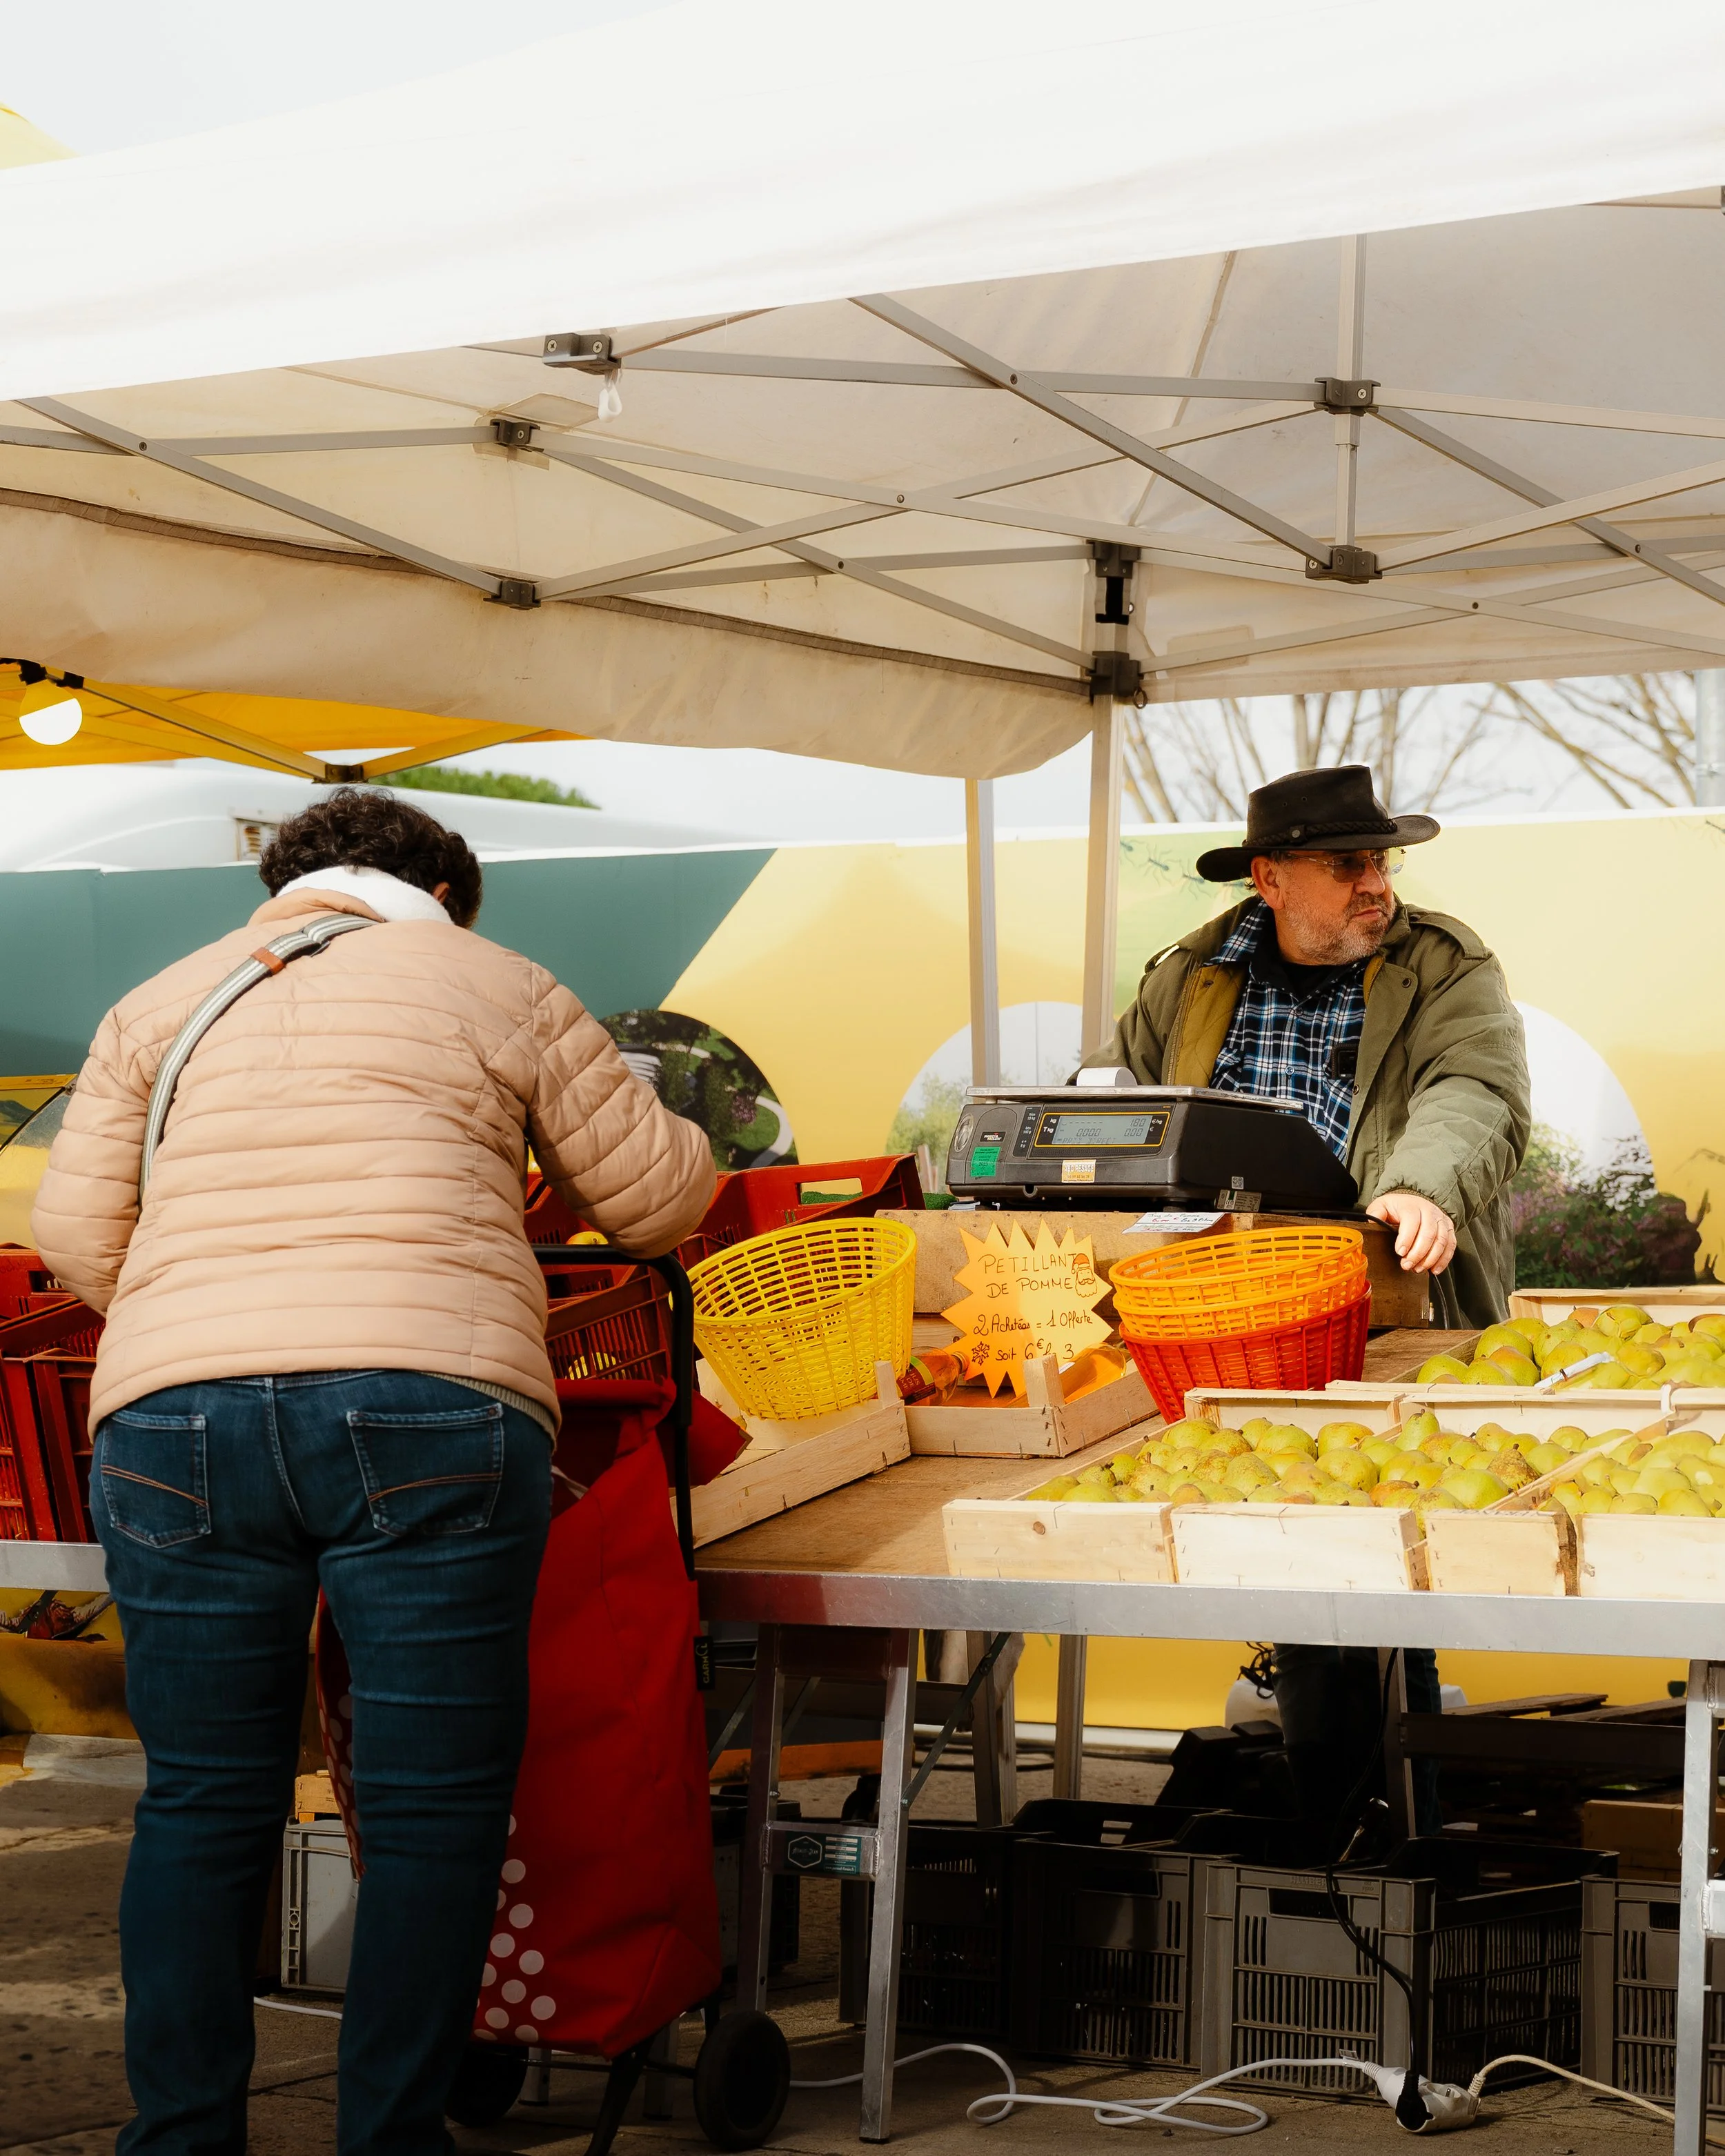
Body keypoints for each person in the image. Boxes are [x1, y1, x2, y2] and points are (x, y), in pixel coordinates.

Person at [32, 786, 716, 2156]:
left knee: (201, 1794)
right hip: (427, 1406)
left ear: (284, 887)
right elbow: (656, 1202)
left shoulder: (158, 1001)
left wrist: (208, 1318)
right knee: (429, 1805)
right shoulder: (496, 979)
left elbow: (73, 1238)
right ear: (449, 891)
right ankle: (392, 2136)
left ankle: (180, 2139)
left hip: (175, 1420)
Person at [1086, 763, 1531, 1834]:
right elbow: (1112, 1101)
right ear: (1270, 877)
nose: (1376, 883)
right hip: (1216, 1326)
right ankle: (1336, 1818)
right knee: (1297, 1581)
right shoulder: (1188, 977)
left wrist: (1422, 1185)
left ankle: (1385, 1825)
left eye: (1381, 860)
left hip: (1380, 1310)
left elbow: (1476, 1088)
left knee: (1374, 1572)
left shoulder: (1445, 964)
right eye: (1347, 865)